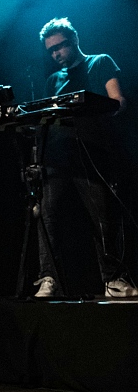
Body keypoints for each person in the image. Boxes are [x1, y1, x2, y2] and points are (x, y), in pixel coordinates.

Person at [34, 17, 137, 299]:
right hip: (56, 157)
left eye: (60, 47)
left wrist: (97, 107)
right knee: (47, 217)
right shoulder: (53, 80)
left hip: (90, 153)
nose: (56, 54)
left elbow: (118, 101)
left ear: (75, 40)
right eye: (51, 50)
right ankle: (48, 278)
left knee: (102, 218)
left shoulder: (100, 62)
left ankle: (113, 280)